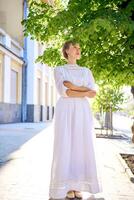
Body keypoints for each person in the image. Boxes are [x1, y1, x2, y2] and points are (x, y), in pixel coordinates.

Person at [49, 40, 102, 199]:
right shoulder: (59, 69)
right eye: (74, 47)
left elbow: (93, 92)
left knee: (80, 144)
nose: (78, 50)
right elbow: (64, 91)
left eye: (79, 47)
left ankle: (77, 185)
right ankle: (65, 186)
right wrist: (83, 90)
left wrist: (73, 86)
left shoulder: (86, 71)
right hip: (65, 110)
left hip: (82, 111)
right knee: (65, 144)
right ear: (66, 51)